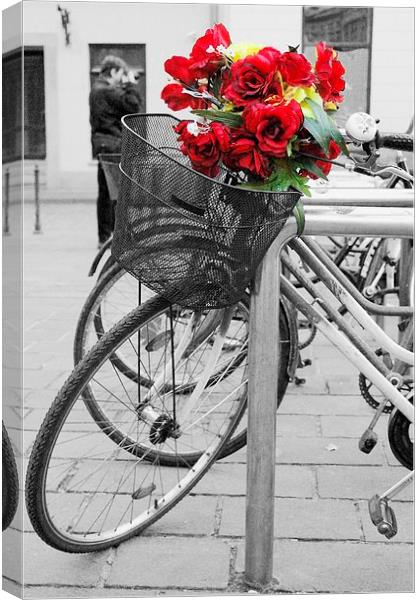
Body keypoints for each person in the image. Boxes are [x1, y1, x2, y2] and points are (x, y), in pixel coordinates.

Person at [89, 55, 142, 247]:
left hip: (103, 144)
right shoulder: (107, 91)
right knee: (117, 192)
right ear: (113, 71)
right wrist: (130, 84)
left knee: (106, 192)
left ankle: (105, 236)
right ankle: (116, 234)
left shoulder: (98, 89)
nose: (122, 78)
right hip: (112, 145)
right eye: (121, 73)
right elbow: (134, 106)